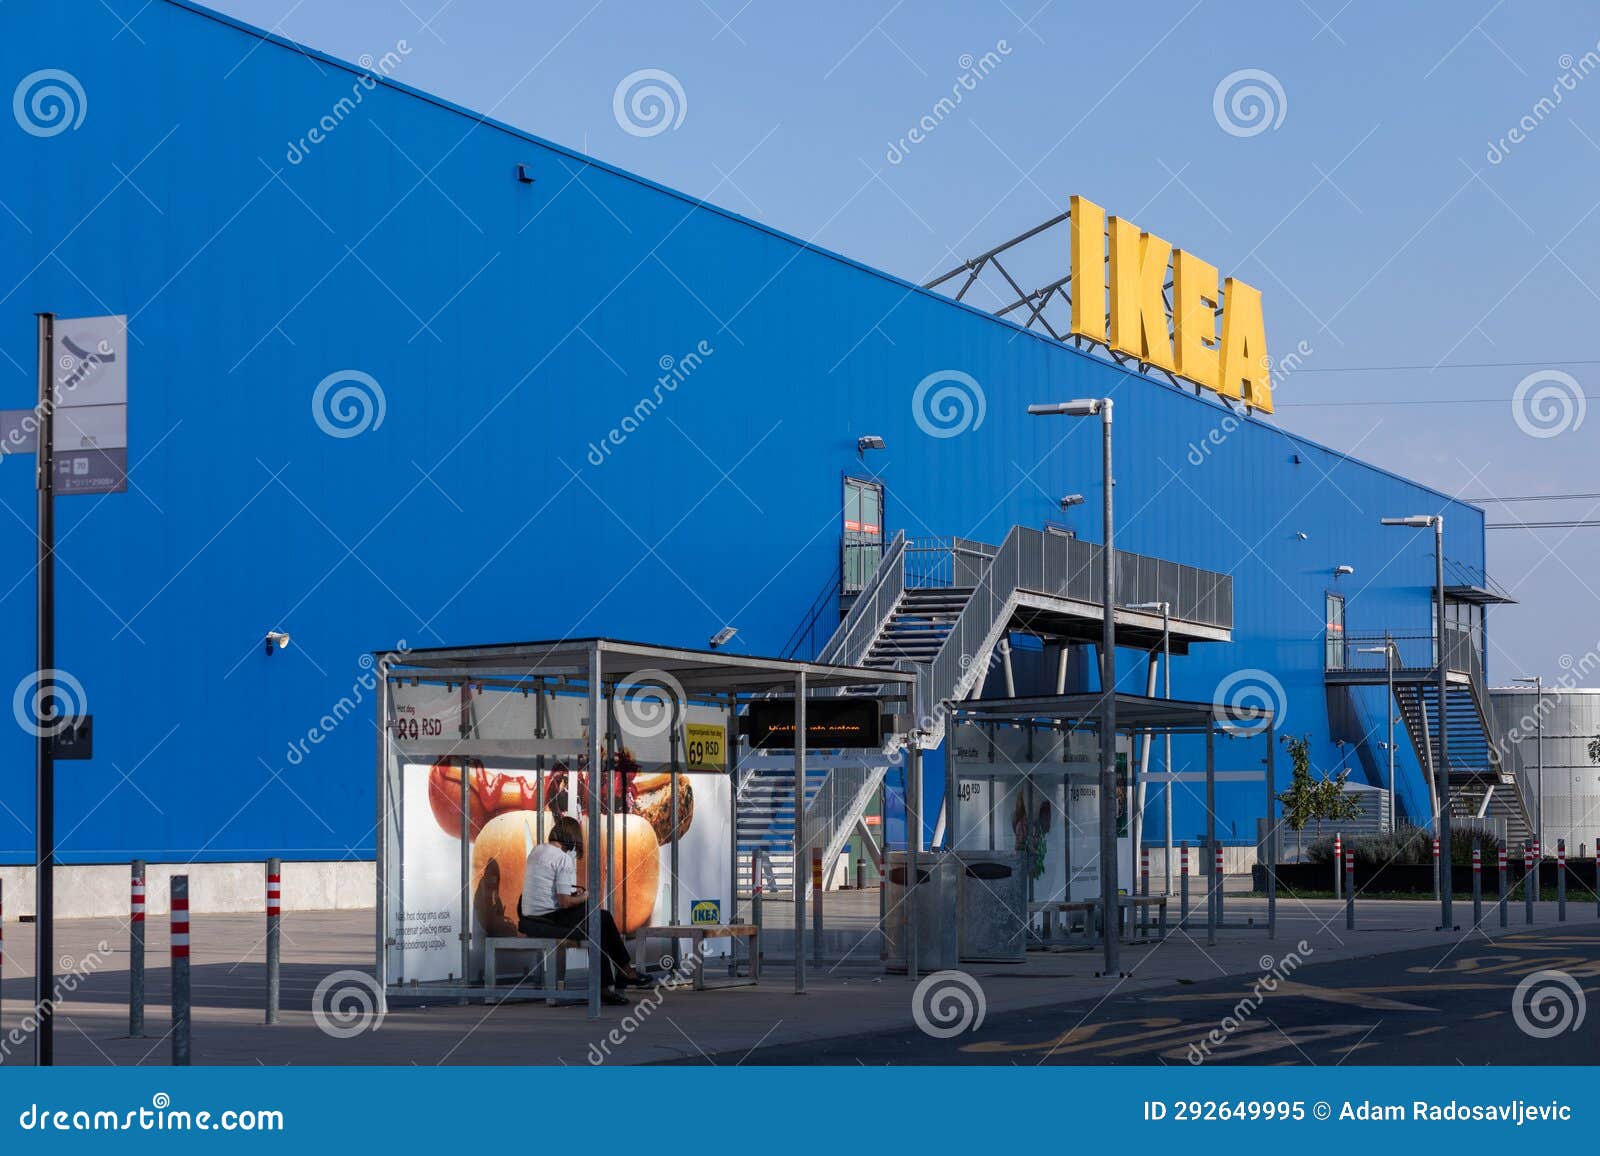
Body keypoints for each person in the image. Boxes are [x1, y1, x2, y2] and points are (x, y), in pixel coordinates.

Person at [519, 814, 649, 1006]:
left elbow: (547, 889)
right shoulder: (562, 859)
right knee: (600, 918)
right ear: (572, 839)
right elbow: (564, 902)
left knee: (597, 922)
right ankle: (621, 973)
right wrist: (586, 895)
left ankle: (614, 979)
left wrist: (575, 896)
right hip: (549, 918)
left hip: (532, 916)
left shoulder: (537, 851)